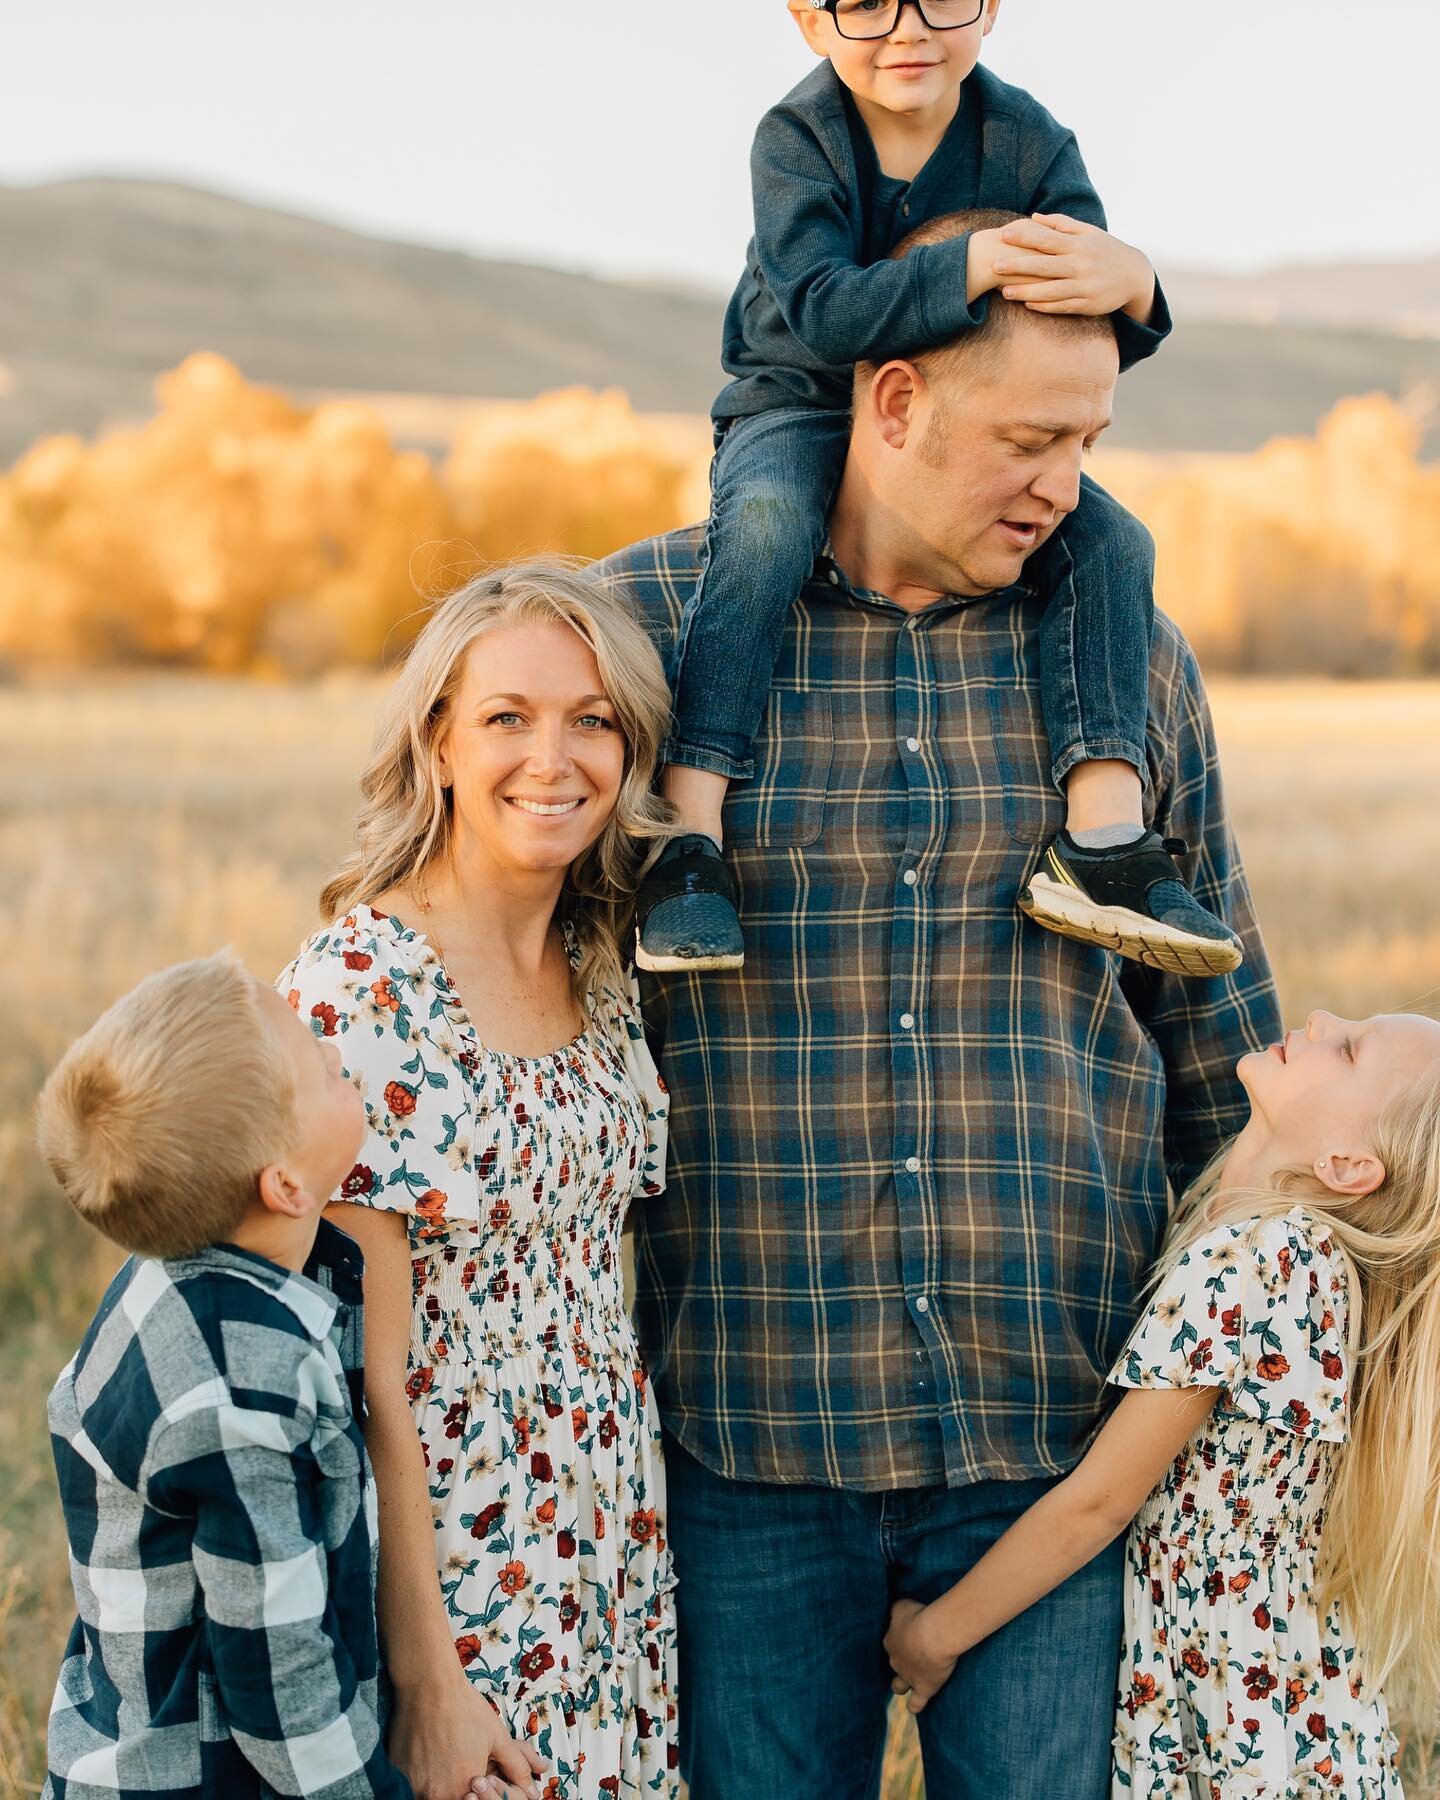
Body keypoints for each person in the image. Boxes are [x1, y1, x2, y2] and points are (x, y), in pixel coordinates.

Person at [597, 223, 1284, 1800]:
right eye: (1029, 438)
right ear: (890, 402)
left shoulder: (1129, 670)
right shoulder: (649, 631)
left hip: (1052, 1426)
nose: (1065, 483)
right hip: (749, 1417)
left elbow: (1219, 1036)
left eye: (1089, 441)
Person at [635, 0, 1242, 982]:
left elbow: (1063, 330)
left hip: (957, 419)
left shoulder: (1030, 141)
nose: (909, 27)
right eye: (867, 2)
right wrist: (977, 262)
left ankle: (1101, 838)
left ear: (993, 8)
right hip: (800, 391)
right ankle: (689, 838)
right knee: (766, 530)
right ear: (807, 20)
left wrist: (1135, 283)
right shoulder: (797, 140)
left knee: (1118, 547)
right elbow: (826, 312)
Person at [280, 561, 679, 1800]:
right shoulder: (362, 990)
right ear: (438, 742)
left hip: (613, 1540)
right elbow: (370, 1385)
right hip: (461, 1563)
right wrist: (427, 1681)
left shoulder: (604, 961)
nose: (551, 759)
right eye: (507, 716)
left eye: (593, 719)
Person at [884, 1008, 1440, 1797]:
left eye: (1348, 1048)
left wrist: (935, 1637)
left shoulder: (1255, 1261)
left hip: (1231, 1703)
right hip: (1278, 1686)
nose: (1319, 1018)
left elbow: (1100, 1502)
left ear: (1348, 1164)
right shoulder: (1285, 1250)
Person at [33, 951, 427, 1799]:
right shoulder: (236, 1389)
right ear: (284, 1183)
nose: (332, 1047)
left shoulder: (166, 1286)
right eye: (316, 1066)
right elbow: (277, 1673)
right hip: (201, 1777)